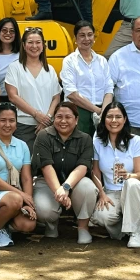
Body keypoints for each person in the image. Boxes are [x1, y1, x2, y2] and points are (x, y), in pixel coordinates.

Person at [31, 101, 98, 240]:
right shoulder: (43, 136)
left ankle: (83, 227)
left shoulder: (85, 139)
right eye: (59, 117)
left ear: (76, 119)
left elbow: (83, 166)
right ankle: (51, 225)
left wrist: (66, 187)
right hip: (47, 182)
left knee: (88, 187)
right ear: (54, 118)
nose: (63, 121)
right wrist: (60, 192)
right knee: (43, 209)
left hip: (75, 183)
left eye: (68, 117)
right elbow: (46, 166)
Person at [89, 101, 140, 248]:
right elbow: (95, 172)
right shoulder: (98, 141)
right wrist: (101, 194)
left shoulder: (135, 140)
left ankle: (135, 233)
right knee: (102, 217)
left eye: (118, 117)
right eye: (109, 117)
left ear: (125, 119)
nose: (114, 120)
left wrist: (129, 175)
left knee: (132, 183)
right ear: (104, 119)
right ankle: (123, 232)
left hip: (136, 190)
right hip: (112, 192)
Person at [0, 102, 37, 248]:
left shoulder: (22, 145)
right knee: (15, 199)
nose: (7, 125)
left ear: (16, 123)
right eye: (3, 120)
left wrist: (28, 203)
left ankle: (4, 225)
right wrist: (22, 196)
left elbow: (26, 178)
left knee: (28, 225)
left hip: (14, 197)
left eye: (12, 120)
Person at [4, 26, 61, 147]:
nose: (34, 46)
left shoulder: (50, 69)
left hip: (47, 126)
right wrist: (36, 114)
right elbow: (13, 96)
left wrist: (47, 119)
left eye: (38, 42)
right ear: (24, 45)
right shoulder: (15, 68)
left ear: (43, 45)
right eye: (30, 42)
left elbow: (56, 97)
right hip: (23, 126)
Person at [60, 20, 113, 135]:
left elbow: (109, 89)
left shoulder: (102, 61)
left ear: (94, 37)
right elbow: (71, 93)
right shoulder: (69, 61)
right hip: (78, 111)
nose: (86, 39)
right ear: (75, 38)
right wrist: (97, 110)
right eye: (82, 35)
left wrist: (104, 111)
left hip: (102, 110)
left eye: (90, 35)